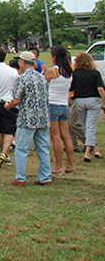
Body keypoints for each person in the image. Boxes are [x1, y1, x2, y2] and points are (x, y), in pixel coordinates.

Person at [5, 51, 52, 186]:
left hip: (27, 118)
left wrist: (8, 106)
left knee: (21, 149)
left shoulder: (22, 79)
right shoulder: (42, 78)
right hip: (42, 117)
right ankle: (45, 177)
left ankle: (20, 178)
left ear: (23, 62)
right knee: (43, 148)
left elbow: (16, 99)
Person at [69, 51, 105, 162]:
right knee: (91, 127)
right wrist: (104, 103)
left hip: (79, 101)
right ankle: (88, 153)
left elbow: (71, 90)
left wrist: (67, 103)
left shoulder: (75, 74)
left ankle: (96, 150)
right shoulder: (95, 73)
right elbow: (100, 89)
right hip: (93, 101)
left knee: (85, 126)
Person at [45, 45, 75, 175]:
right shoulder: (69, 72)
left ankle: (59, 166)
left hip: (53, 104)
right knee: (66, 136)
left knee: (56, 137)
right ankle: (71, 165)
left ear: (55, 57)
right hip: (63, 105)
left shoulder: (53, 71)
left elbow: (43, 84)